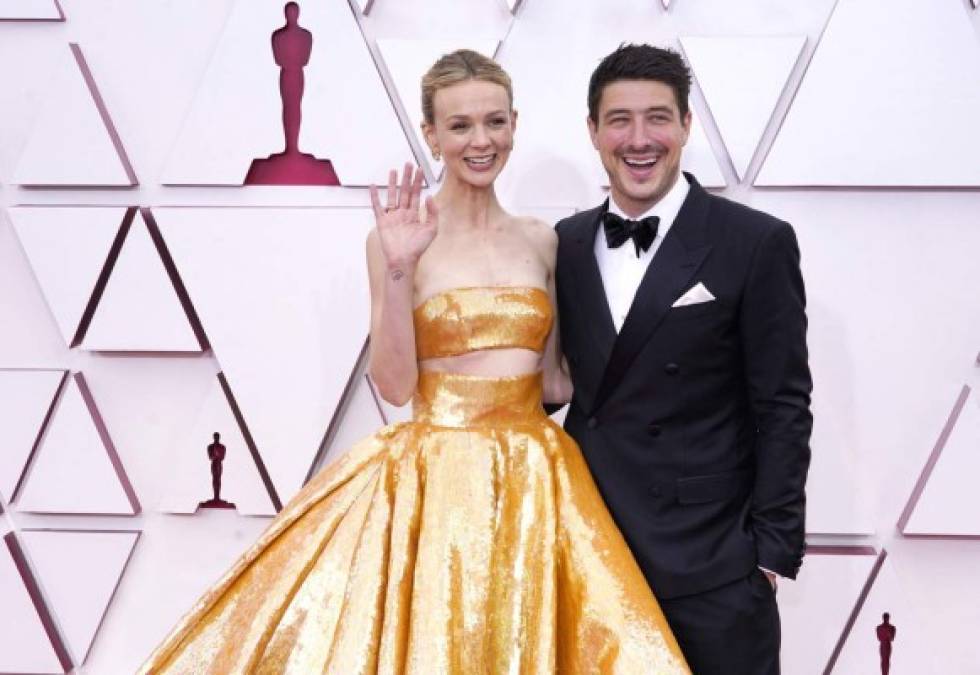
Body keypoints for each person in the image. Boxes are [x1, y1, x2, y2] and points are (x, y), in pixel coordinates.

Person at [139, 49, 689, 674]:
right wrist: (400, 268)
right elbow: (396, 386)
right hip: (439, 481)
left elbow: (557, 377)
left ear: (514, 124)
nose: (480, 141)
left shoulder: (544, 239)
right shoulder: (396, 240)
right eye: (460, 126)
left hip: (537, 476)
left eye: (494, 122)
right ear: (431, 135)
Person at [553, 44, 812, 675]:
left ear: (687, 125)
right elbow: (546, 386)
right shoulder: (562, 242)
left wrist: (769, 553)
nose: (639, 139)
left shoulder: (754, 241)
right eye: (619, 119)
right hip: (594, 551)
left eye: (658, 117)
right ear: (593, 131)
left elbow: (783, 404)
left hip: (712, 563)